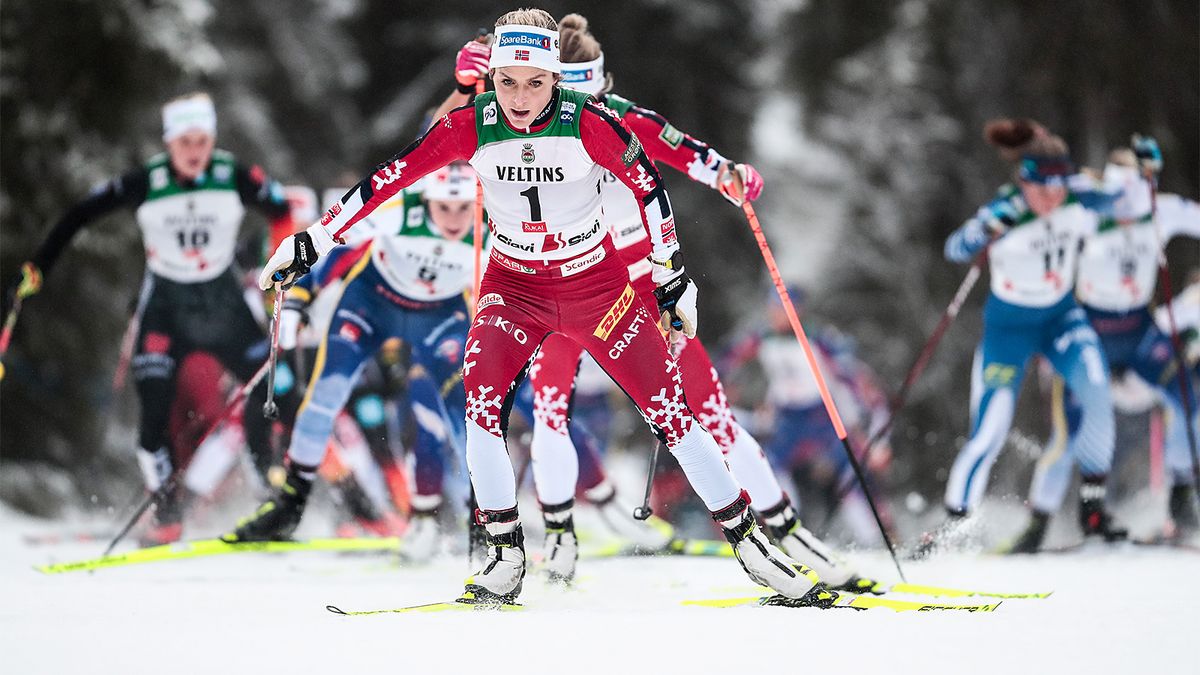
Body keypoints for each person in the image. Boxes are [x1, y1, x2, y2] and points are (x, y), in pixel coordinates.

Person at [256, 8, 829, 606]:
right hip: (514, 288)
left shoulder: (590, 121)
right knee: (481, 403)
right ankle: (505, 554)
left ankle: (754, 545)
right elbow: (388, 180)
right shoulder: (471, 124)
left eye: (536, 82)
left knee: (670, 411)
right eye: (508, 81)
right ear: (494, 77)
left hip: (596, 287)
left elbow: (648, 188)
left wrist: (670, 274)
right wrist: (313, 241)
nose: (521, 97)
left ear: (555, 78)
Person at [434, 14, 883, 591]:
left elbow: (686, 153)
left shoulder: (615, 120)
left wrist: (729, 174)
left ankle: (789, 537)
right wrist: (466, 84)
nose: (572, 108)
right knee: (548, 409)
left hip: (635, 287)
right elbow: (444, 143)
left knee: (707, 413)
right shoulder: (519, 116)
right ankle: (561, 539)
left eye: (587, 93)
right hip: (553, 283)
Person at [6, 92, 301, 544]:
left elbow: (282, 210)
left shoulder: (232, 174)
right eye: (185, 141)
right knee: (151, 422)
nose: (194, 150)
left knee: (273, 389)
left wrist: (280, 271)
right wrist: (39, 268)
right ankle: (166, 514)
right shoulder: (147, 180)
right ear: (169, 143)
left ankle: (271, 497)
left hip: (222, 308)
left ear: (212, 139)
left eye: (202, 140)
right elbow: (78, 215)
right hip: (166, 310)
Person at [223, 163, 480, 547]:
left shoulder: (490, 224)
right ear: (427, 198)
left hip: (438, 317)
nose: (455, 219)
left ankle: (482, 518)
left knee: (463, 412)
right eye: (444, 207)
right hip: (372, 306)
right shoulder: (398, 207)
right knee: (323, 397)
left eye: (464, 208)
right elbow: (334, 249)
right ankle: (289, 507)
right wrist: (299, 298)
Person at [926, 127, 1122, 554]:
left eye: (1059, 185)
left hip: (1061, 320)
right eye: (1043, 187)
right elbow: (955, 248)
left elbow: (1123, 202)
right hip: (1008, 330)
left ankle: (1093, 508)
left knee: (1096, 389)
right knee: (991, 429)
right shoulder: (1007, 209)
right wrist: (984, 229)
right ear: (1025, 181)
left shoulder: (1077, 200)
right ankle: (952, 526)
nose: (1052, 197)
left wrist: (1113, 180)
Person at [1007, 139, 1200, 551]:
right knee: (1070, 434)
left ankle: (1182, 498)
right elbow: (1044, 198)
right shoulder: (1086, 208)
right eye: (1119, 192)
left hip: (1138, 330)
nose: (1128, 205)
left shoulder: (1159, 207)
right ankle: (1036, 525)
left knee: (1186, 397)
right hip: (1090, 327)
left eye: (1138, 187)